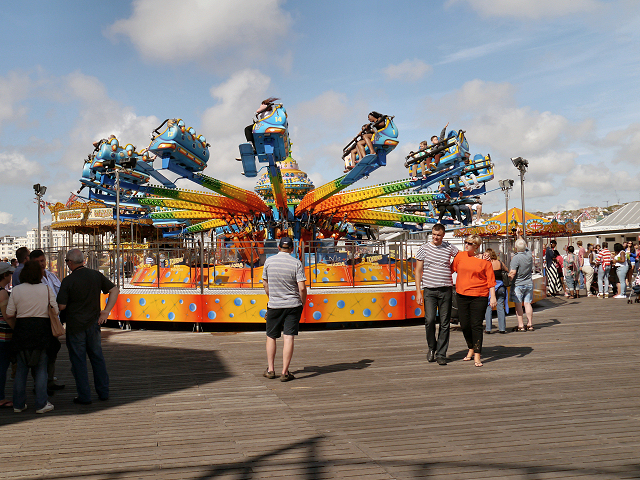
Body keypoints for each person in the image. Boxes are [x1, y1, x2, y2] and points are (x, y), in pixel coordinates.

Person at [57, 249, 119, 404]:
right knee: (97, 358)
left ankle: (84, 396)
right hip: (93, 324)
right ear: (83, 261)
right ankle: (103, 392)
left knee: (79, 362)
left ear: (70, 263)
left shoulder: (68, 281)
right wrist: (106, 311)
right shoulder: (95, 275)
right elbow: (114, 290)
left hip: (75, 325)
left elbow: (62, 306)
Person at [6, 260, 58, 414]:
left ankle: (18, 404)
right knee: (41, 368)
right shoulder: (46, 289)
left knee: (21, 369)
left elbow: (9, 313)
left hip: (22, 330)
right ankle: (41, 404)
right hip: (41, 331)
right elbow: (55, 310)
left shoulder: (16, 290)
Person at [261, 237, 307, 382]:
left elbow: (265, 283)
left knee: (271, 336)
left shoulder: (269, 261)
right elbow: (302, 288)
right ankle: (285, 372)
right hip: (293, 305)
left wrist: (271, 296)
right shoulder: (296, 263)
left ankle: (270, 369)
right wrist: (302, 303)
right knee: (288, 337)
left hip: (274, 304)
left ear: (279, 247)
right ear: (292, 249)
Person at [415, 224, 458, 366]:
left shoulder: (450, 247)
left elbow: (461, 258)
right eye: (433, 234)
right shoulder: (424, 248)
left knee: (445, 323)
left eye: (438, 235)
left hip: (445, 289)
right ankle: (431, 347)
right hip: (430, 290)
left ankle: (441, 353)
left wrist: (480, 256)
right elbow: (418, 270)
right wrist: (418, 292)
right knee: (430, 320)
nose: (435, 237)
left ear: (443, 235)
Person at [452, 235, 497, 367]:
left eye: (470, 243)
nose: (466, 244)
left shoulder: (485, 260)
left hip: (479, 295)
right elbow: (451, 269)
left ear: (477, 246)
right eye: (466, 242)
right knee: (465, 325)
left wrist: (492, 296)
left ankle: (477, 354)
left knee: (476, 325)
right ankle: (470, 347)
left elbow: (491, 280)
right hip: (462, 294)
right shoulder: (460, 256)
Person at [29, 249, 64, 393]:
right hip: (41, 320)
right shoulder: (31, 280)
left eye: (42, 261)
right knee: (39, 355)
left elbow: (60, 291)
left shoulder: (51, 275)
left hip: (54, 319)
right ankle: (39, 384)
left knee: (52, 350)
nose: (41, 264)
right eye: (37, 262)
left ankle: (49, 380)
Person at [0, 262, 15, 408]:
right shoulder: (2, 292)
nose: (11, 276)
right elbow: (7, 316)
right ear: (4, 275)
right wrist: (16, 329)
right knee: (2, 367)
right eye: (10, 274)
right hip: (3, 336)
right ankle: (1, 397)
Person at [484, 249, 507, 334]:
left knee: (489, 307)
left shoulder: (486, 264)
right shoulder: (500, 263)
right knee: (500, 307)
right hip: (501, 287)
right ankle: (502, 328)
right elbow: (507, 270)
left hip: (490, 288)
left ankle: (488, 328)